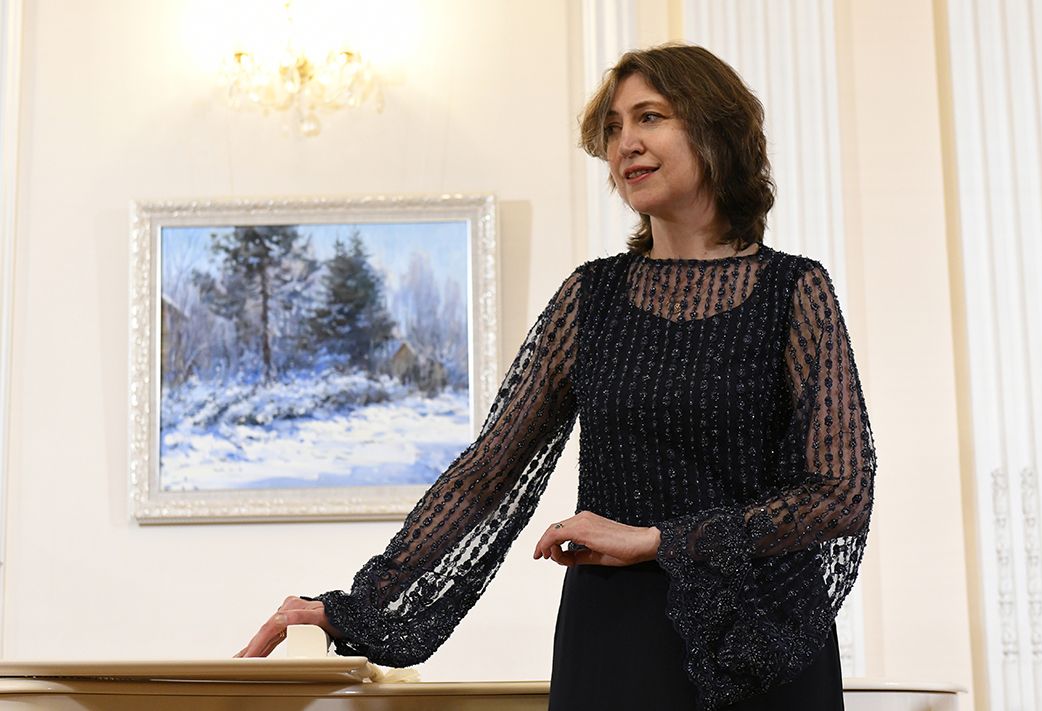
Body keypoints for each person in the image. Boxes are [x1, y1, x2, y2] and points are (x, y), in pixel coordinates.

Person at [237, 43, 875, 711]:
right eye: (613, 127)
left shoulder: (794, 291)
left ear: (717, 130)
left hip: (763, 639)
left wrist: (659, 540)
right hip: (618, 633)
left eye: (649, 117)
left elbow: (841, 492)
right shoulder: (591, 297)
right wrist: (358, 605)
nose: (625, 143)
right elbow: (487, 473)